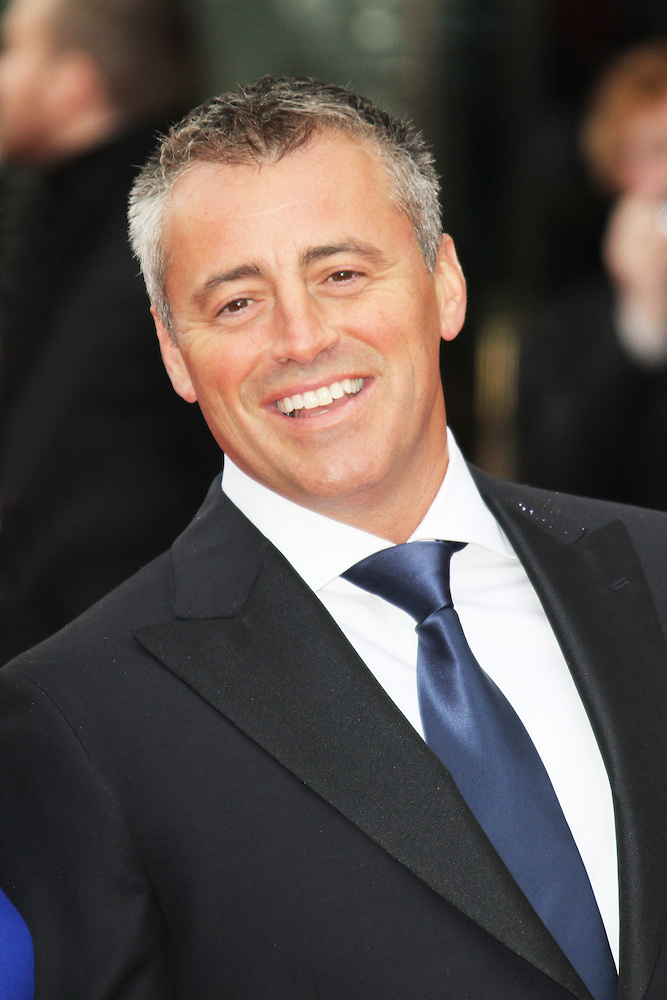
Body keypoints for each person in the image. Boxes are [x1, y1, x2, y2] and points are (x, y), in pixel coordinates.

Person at [2, 75, 667, 999]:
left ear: (444, 283)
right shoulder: (77, 719)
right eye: (237, 303)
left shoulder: (654, 568)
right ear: (173, 351)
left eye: (341, 274)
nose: (302, 337)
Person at [0, 0, 219, 663]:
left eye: (10, 50)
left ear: (74, 85)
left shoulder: (154, 249)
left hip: (102, 669)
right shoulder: (71, 222)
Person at [518, 38, 667, 508]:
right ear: (617, 171)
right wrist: (642, 325)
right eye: (656, 151)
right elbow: (556, 490)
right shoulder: (563, 332)